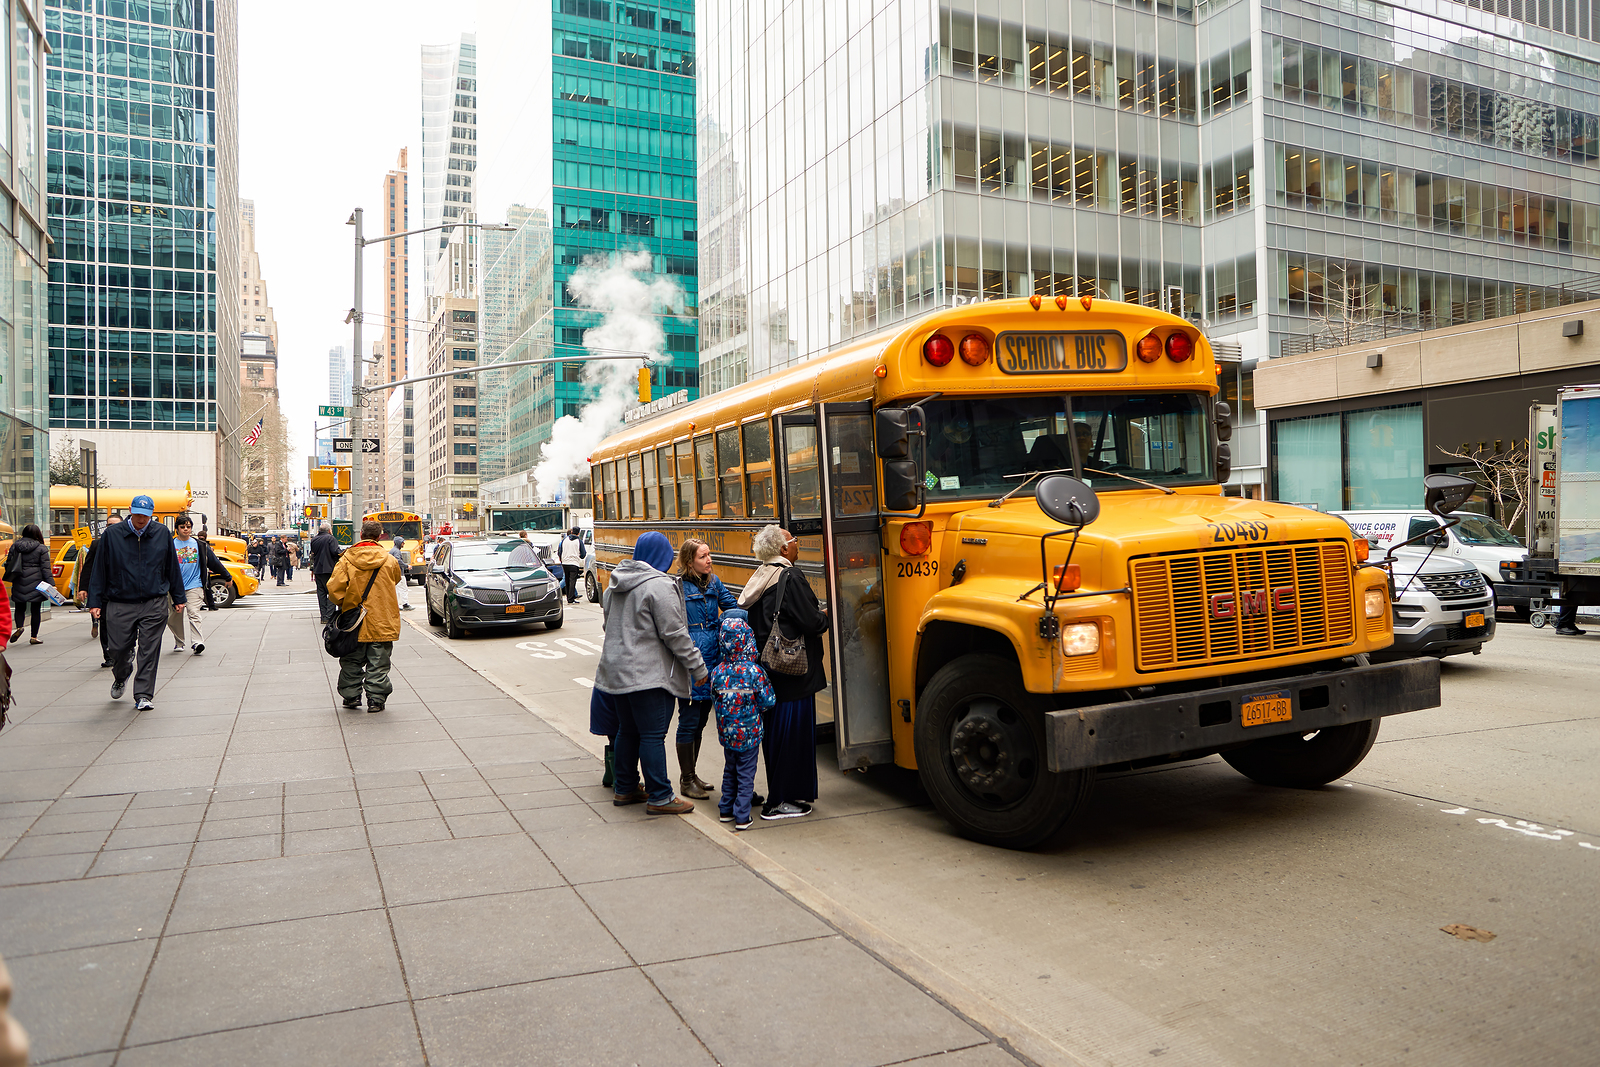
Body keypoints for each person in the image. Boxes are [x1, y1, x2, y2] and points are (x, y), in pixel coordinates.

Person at [593, 531, 707, 815]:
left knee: (627, 731)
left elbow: (609, 628)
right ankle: (660, 795)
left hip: (616, 672)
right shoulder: (658, 586)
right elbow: (675, 634)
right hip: (648, 676)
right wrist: (698, 667)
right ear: (661, 555)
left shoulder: (615, 584)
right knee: (653, 735)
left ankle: (626, 787)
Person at [740, 525, 830, 820]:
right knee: (793, 738)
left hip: (771, 671)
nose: (797, 544)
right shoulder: (789, 576)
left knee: (777, 737)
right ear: (783, 549)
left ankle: (782, 795)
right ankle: (780, 800)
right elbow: (811, 621)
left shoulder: (761, 576)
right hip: (793, 673)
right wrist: (823, 617)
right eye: (793, 540)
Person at [87, 494, 186, 712]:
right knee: (118, 649)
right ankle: (121, 674)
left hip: (154, 601)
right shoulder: (112, 535)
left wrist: (179, 597)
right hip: (119, 601)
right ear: (130, 511)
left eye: (146, 515)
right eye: (138, 514)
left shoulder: (161, 534)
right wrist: (94, 601)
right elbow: (99, 570)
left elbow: (172, 567)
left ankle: (143, 694)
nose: (141, 520)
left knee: (149, 649)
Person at [675, 537, 738, 799]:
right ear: (690, 562)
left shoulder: (714, 582)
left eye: (709, 555)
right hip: (691, 660)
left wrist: (722, 622)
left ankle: (691, 775)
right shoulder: (677, 586)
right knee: (689, 721)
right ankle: (686, 780)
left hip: (713, 660)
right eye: (703, 556)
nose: (709, 560)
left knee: (701, 721)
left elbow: (733, 607)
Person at [325, 520, 403, 712]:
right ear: (379, 537)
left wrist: (348, 603)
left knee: (351, 660)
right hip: (382, 619)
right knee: (379, 662)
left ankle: (351, 697)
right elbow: (396, 579)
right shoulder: (389, 560)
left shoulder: (345, 560)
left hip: (354, 622)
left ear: (361, 535)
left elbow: (334, 591)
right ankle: (376, 700)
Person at [711, 614, 773, 831]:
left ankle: (726, 810)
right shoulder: (755, 672)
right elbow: (767, 700)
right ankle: (742, 816)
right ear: (748, 641)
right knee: (746, 774)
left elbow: (715, 698)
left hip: (727, 734)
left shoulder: (717, 672)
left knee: (730, 769)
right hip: (749, 734)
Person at [166, 514, 231, 655]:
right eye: (182, 527)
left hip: (194, 585)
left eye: (188, 527)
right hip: (174, 587)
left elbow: (214, 562)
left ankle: (197, 642)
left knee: (194, 613)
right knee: (174, 617)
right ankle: (179, 641)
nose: (186, 529)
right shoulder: (169, 544)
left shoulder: (200, 545)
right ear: (177, 528)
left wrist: (227, 576)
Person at [76, 515, 121, 665]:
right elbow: (87, 567)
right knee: (105, 623)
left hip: (124, 592)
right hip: (105, 592)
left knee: (123, 624)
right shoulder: (97, 545)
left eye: (115, 525)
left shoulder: (130, 543)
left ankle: (124, 650)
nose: (112, 528)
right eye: (109, 525)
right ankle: (108, 655)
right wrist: (83, 588)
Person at [5, 525, 54, 646]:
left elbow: (8, 563)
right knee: (35, 609)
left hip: (19, 578)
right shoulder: (41, 548)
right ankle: (34, 636)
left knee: (19, 606)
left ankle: (20, 627)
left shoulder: (16, 546)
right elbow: (45, 568)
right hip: (36, 581)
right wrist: (51, 584)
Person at [310, 522, 343, 621]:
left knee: (321, 593)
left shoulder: (314, 540)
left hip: (318, 570)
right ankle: (329, 616)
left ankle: (323, 616)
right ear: (329, 530)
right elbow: (335, 552)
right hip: (329, 569)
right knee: (332, 593)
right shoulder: (330, 538)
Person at [557, 526, 587, 604]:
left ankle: (568, 597)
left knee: (567, 580)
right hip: (574, 563)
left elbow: (559, 551)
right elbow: (583, 554)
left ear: (571, 532)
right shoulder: (579, 541)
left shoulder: (564, 540)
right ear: (579, 533)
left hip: (565, 563)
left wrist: (561, 559)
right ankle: (571, 598)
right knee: (572, 581)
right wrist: (579, 556)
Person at [390, 535, 414, 611]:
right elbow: (398, 560)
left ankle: (395, 605)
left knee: (396, 590)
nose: (403, 544)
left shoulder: (392, 550)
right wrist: (406, 566)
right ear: (399, 543)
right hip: (399, 573)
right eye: (402, 543)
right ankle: (405, 604)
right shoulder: (397, 551)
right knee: (404, 589)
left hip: (394, 573)